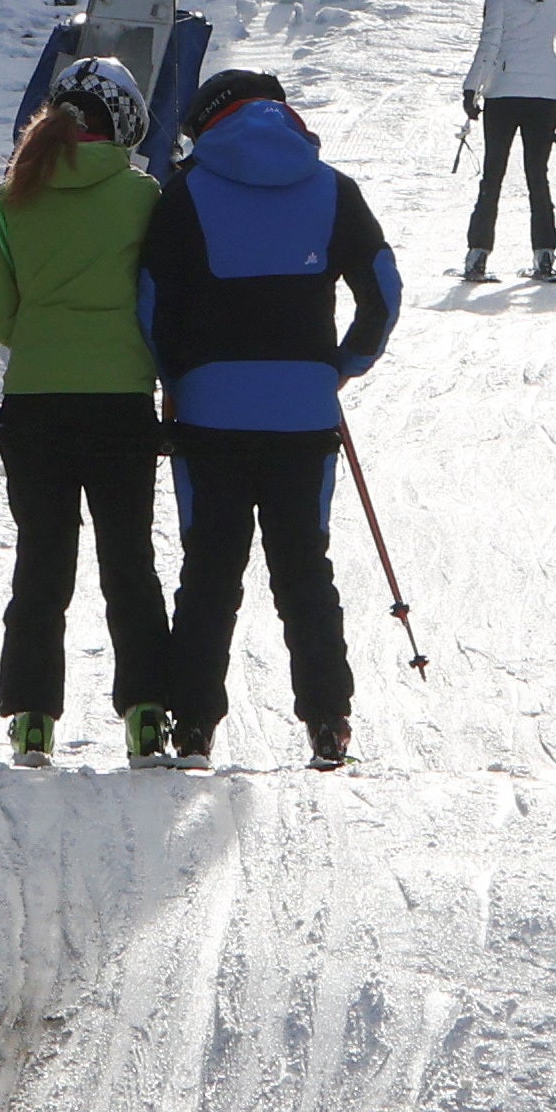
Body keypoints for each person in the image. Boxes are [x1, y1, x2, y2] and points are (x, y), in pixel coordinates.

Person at [140, 71, 401, 770]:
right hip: (304, 412)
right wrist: (343, 366)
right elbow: (383, 289)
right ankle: (328, 722)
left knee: (210, 570)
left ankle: (192, 726)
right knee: (304, 569)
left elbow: (150, 304)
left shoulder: (184, 192)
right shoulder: (333, 189)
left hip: (209, 412)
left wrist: (178, 379)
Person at [0, 58, 168, 767]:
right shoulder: (143, 196)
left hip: (34, 406)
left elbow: (3, 321)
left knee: (42, 565)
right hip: (120, 403)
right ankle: (148, 714)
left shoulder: (11, 200)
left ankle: (32, 718)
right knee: (129, 563)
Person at [461, 0, 556, 283]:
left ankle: (477, 257)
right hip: (544, 99)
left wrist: (472, 90)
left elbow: (490, 45)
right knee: (537, 177)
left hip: (503, 97)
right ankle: (545, 256)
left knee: (492, 176)